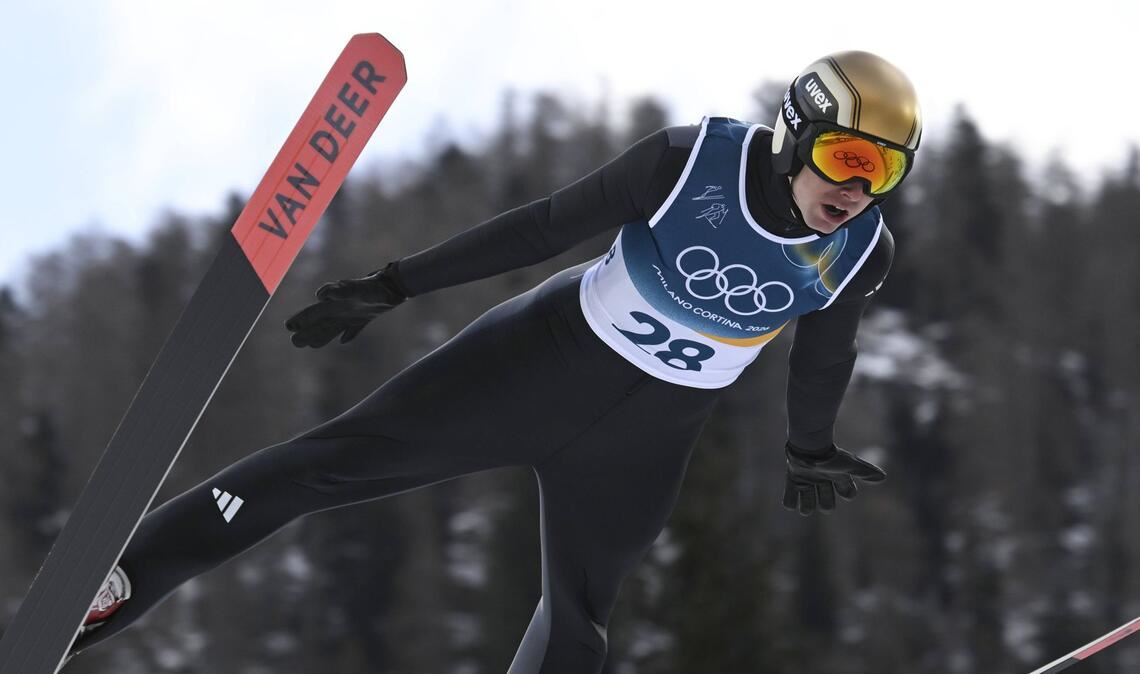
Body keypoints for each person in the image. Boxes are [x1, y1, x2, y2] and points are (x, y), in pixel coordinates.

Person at [67, 50, 922, 673]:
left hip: (646, 439)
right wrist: (397, 283)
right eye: (845, 158)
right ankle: (117, 584)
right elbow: (541, 228)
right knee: (328, 465)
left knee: (579, 625)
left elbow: (825, 353)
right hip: (536, 364)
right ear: (795, 133)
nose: (856, 189)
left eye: (883, 171)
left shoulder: (859, 250)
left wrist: (809, 445)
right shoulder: (688, 162)